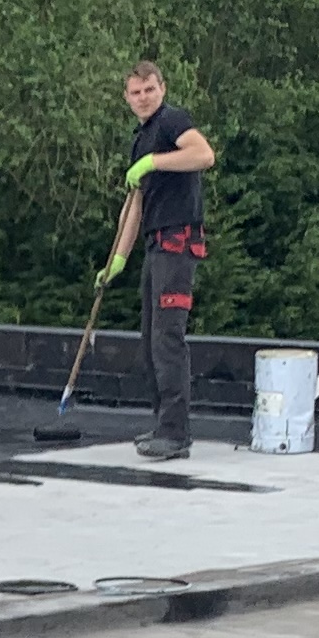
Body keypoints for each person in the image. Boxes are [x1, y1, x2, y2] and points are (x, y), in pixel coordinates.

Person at [102, 59, 215, 460]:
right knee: (151, 340)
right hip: (155, 247)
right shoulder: (141, 139)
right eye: (136, 92)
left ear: (162, 89)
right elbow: (134, 204)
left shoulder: (171, 121)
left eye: (149, 89)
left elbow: (203, 154)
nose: (143, 98)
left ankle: (175, 433)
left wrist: (154, 162)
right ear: (126, 97)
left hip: (177, 243)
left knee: (168, 338)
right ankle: (162, 424)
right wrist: (117, 259)